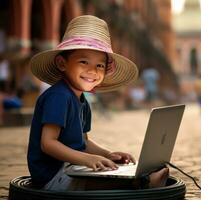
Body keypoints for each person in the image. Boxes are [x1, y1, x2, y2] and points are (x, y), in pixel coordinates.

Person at [27, 15, 169, 191]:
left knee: (110, 169)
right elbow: (48, 144)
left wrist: (107, 154)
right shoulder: (59, 96)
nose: (92, 71)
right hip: (52, 176)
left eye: (100, 66)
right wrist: (87, 159)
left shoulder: (82, 100)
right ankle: (143, 183)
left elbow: (83, 142)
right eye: (84, 62)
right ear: (62, 63)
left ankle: (140, 179)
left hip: (73, 168)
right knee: (109, 183)